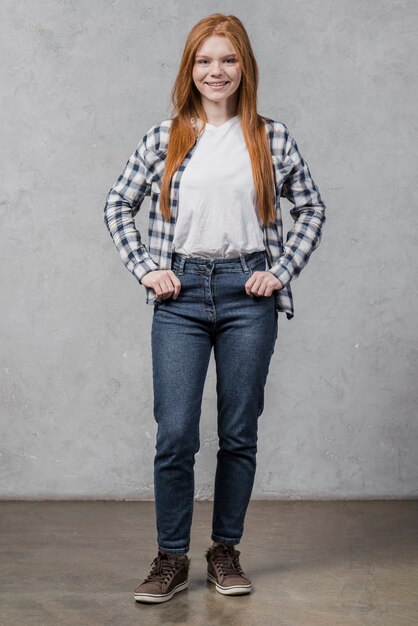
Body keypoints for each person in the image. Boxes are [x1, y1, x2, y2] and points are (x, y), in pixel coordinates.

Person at [103, 12, 326, 604]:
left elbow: (312, 210)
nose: (216, 71)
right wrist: (148, 269)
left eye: (227, 59)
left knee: (237, 430)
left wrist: (277, 272)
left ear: (244, 66)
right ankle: (171, 557)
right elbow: (117, 203)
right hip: (179, 296)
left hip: (246, 294)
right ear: (190, 69)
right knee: (175, 433)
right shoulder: (165, 136)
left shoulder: (272, 138)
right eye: (205, 60)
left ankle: (224, 550)